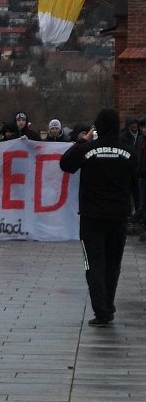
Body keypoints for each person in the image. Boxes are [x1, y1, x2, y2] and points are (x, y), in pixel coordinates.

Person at [60, 108, 139, 327]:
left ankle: (102, 310)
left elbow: (65, 164)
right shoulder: (129, 152)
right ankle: (108, 304)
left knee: (93, 263)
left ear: (97, 126)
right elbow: (136, 173)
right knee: (113, 263)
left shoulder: (87, 149)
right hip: (118, 217)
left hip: (91, 216)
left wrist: (81, 142)